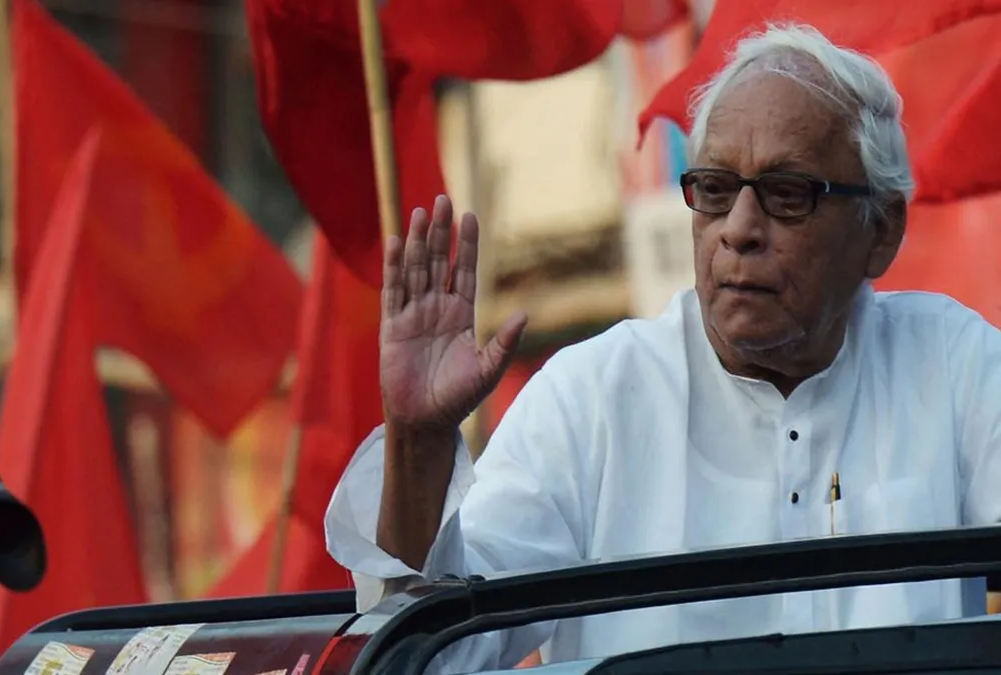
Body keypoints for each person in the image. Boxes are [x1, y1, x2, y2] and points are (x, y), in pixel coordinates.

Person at [324, 22, 1001, 671]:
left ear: (880, 230)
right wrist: (417, 442)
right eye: (713, 190)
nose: (739, 230)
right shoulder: (591, 398)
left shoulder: (953, 365)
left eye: (786, 194)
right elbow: (440, 653)